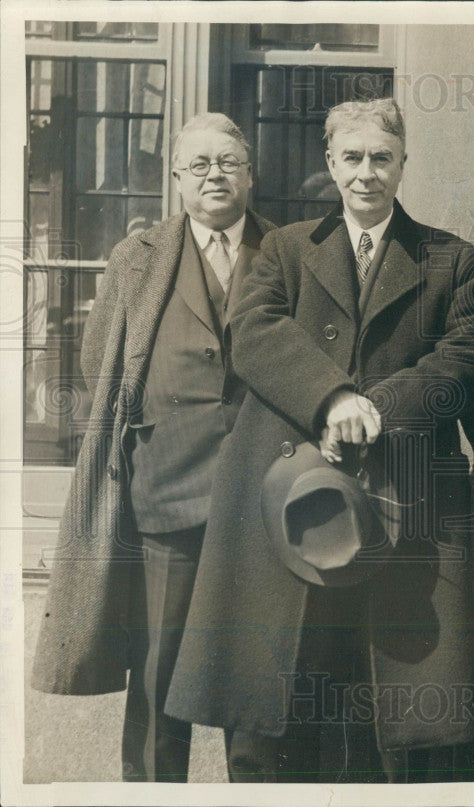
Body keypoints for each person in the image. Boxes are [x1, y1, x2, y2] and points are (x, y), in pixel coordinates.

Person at [164, 98, 474, 783]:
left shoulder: (449, 258)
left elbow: (461, 360)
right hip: (288, 506)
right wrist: (332, 397)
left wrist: (375, 407)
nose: (366, 174)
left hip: (401, 510)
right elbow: (252, 333)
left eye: (381, 158)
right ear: (329, 165)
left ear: (404, 163)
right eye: (352, 158)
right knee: (281, 700)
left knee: (383, 709)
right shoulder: (285, 247)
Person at [32, 113, 274, 781]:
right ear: (175, 179)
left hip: (263, 506)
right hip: (165, 499)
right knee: (158, 678)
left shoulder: (290, 253)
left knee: (252, 684)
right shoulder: (135, 258)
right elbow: (100, 364)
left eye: (228, 162)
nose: (214, 175)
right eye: (198, 165)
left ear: (251, 175)